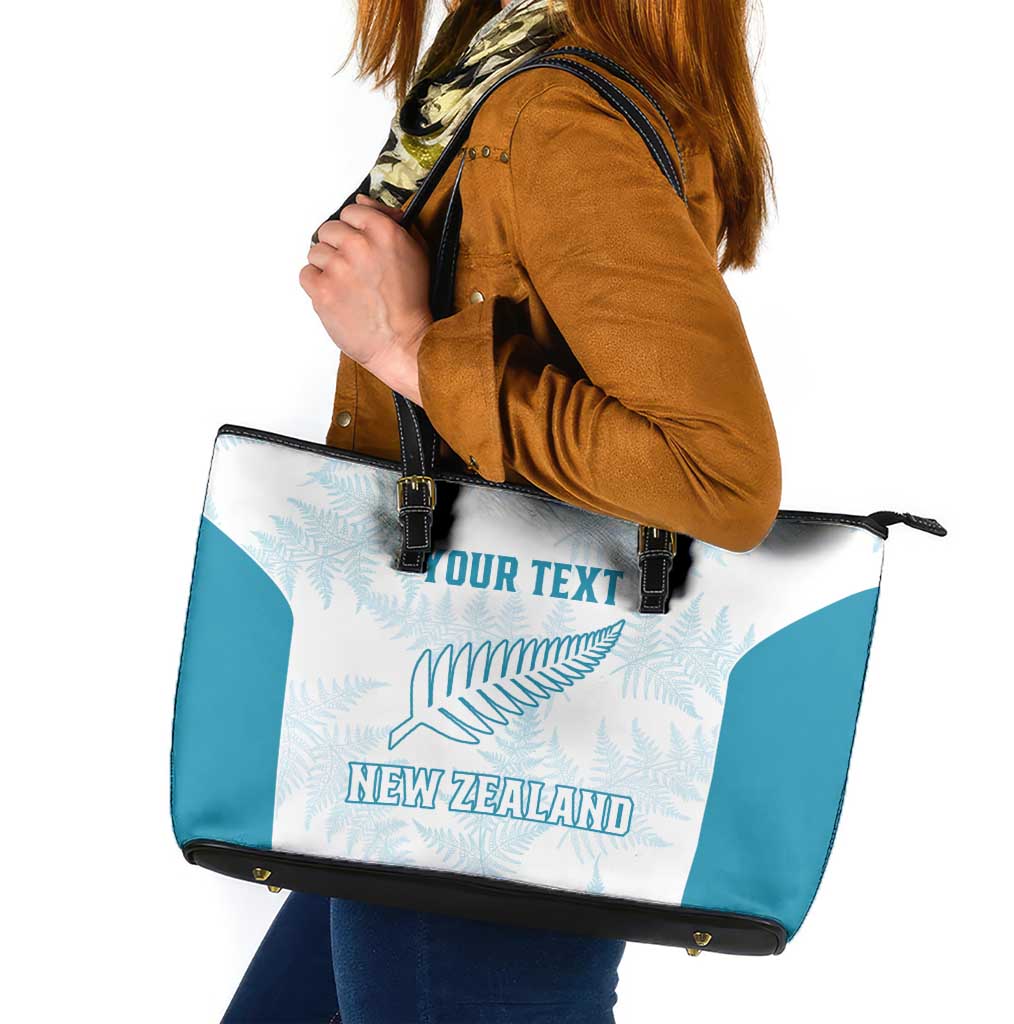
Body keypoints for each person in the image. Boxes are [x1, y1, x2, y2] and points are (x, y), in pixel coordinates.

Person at [224, 0, 780, 1020]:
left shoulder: (556, 114)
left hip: (477, 773)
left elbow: (719, 474)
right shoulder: (509, 64)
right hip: (424, 743)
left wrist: (408, 350)